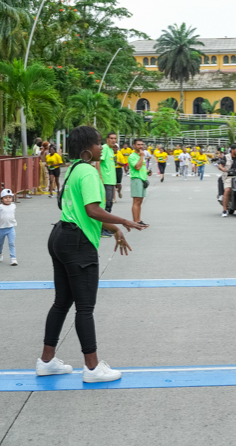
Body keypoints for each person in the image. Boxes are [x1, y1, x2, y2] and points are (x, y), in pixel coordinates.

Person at [36, 126, 149, 383]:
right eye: (99, 144)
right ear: (87, 149)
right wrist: (124, 222)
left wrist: (114, 229)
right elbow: (92, 210)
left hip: (60, 236)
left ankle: (46, 361)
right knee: (85, 307)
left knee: (62, 302)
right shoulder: (88, 173)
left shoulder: (75, 168)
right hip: (77, 242)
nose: (102, 148)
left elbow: (79, 209)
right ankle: (92, 368)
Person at [0, 188, 18, 265]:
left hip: (11, 228)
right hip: (2, 229)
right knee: (0, 243)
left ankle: (13, 258)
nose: (8, 199)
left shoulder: (13, 206)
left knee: (11, 243)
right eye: (6, 198)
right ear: (2, 199)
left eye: (10, 197)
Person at [129, 139, 149, 225]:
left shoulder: (141, 155)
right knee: (136, 201)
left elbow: (142, 168)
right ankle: (135, 221)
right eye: (138, 144)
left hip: (143, 179)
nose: (141, 146)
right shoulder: (132, 156)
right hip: (136, 179)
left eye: (142, 144)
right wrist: (141, 156)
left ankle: (139, 220)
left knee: (140, 201)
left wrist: (148, 172)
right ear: (134, 145)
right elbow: (137, 167)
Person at [100, 133, 118, 219]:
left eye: (115, 138)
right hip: (105, 181)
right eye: (111, 138)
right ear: (107, 139)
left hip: (110, 181)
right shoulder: (104, 148)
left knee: (109, 204)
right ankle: (103, 227)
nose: (113, 140)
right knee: (106, 204)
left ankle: (105, 227)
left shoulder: (111, 150)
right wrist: (100, 176)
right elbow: (98, 162)